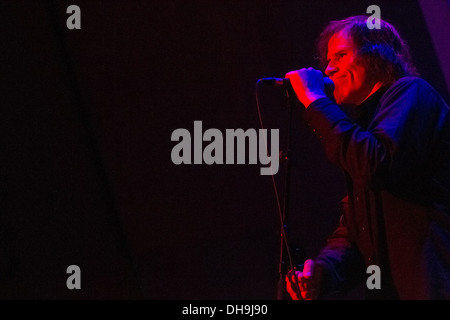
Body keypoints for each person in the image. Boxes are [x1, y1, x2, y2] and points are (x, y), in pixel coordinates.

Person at [284, 15, 450, 300]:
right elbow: (358, 229)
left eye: (341, 55)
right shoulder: (365, 129)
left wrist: (315, 100)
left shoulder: (412, 92)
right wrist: (323, 271)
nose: (329, 68)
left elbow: (375, 164)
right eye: (328, 59)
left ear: (377, 54)